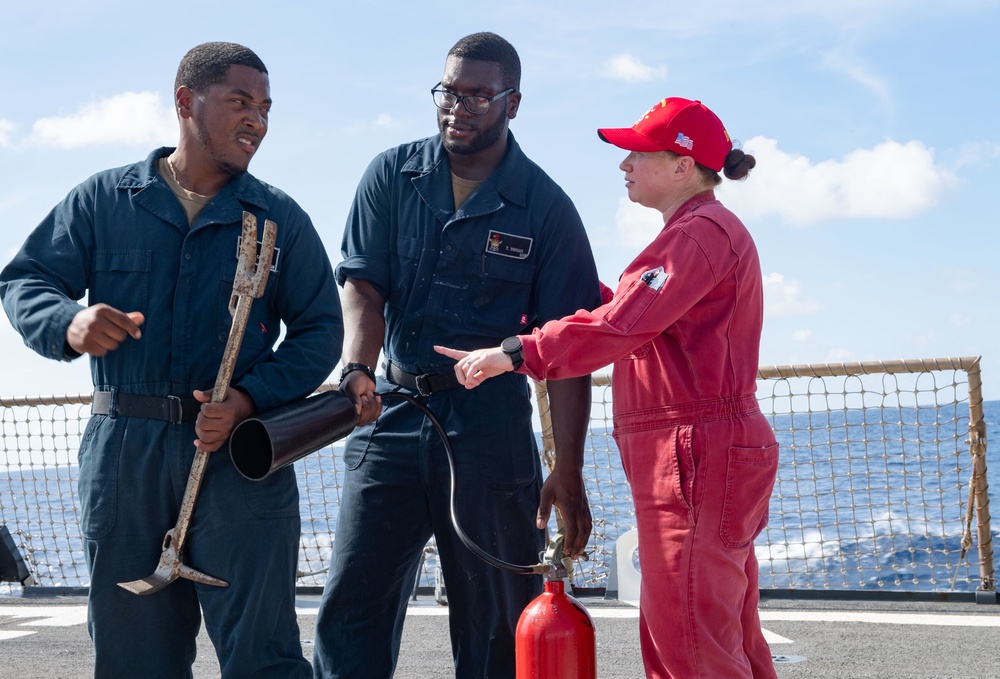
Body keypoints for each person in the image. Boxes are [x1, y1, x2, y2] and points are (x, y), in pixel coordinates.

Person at [0, 42, 343, 678]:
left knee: (263, 657)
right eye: (240, 102)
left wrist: (248, 399)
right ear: (184, 102)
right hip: (123, 457)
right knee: (134, 660)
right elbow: (25, 280)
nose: (257, 121)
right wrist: (69, 322)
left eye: (266, 108)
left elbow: (322, 331)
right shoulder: (104, 200)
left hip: (240, 455)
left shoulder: (279, 218)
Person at [436, 97, 780, 678]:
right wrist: (549, 279)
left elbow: (621, 326)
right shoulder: (697, 234)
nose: (623, 164)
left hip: (695, 454)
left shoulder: (698, 235)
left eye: (637, 153)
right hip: (702, 453)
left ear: (681, 166)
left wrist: (515, 353)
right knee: (722, 637)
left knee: (691, 647)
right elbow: (632, 313)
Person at [312, 32, 602, 679]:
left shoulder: (548, 209)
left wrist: (569, 470)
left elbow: (570, 349)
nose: (458, 106)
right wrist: (357, 366)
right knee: (350, 607)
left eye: (478, 94)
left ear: (513, 103)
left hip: (491, 428)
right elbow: (362, 286)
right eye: (449, 90)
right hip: (389, 413)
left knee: (498, 621)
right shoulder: (389, 175)